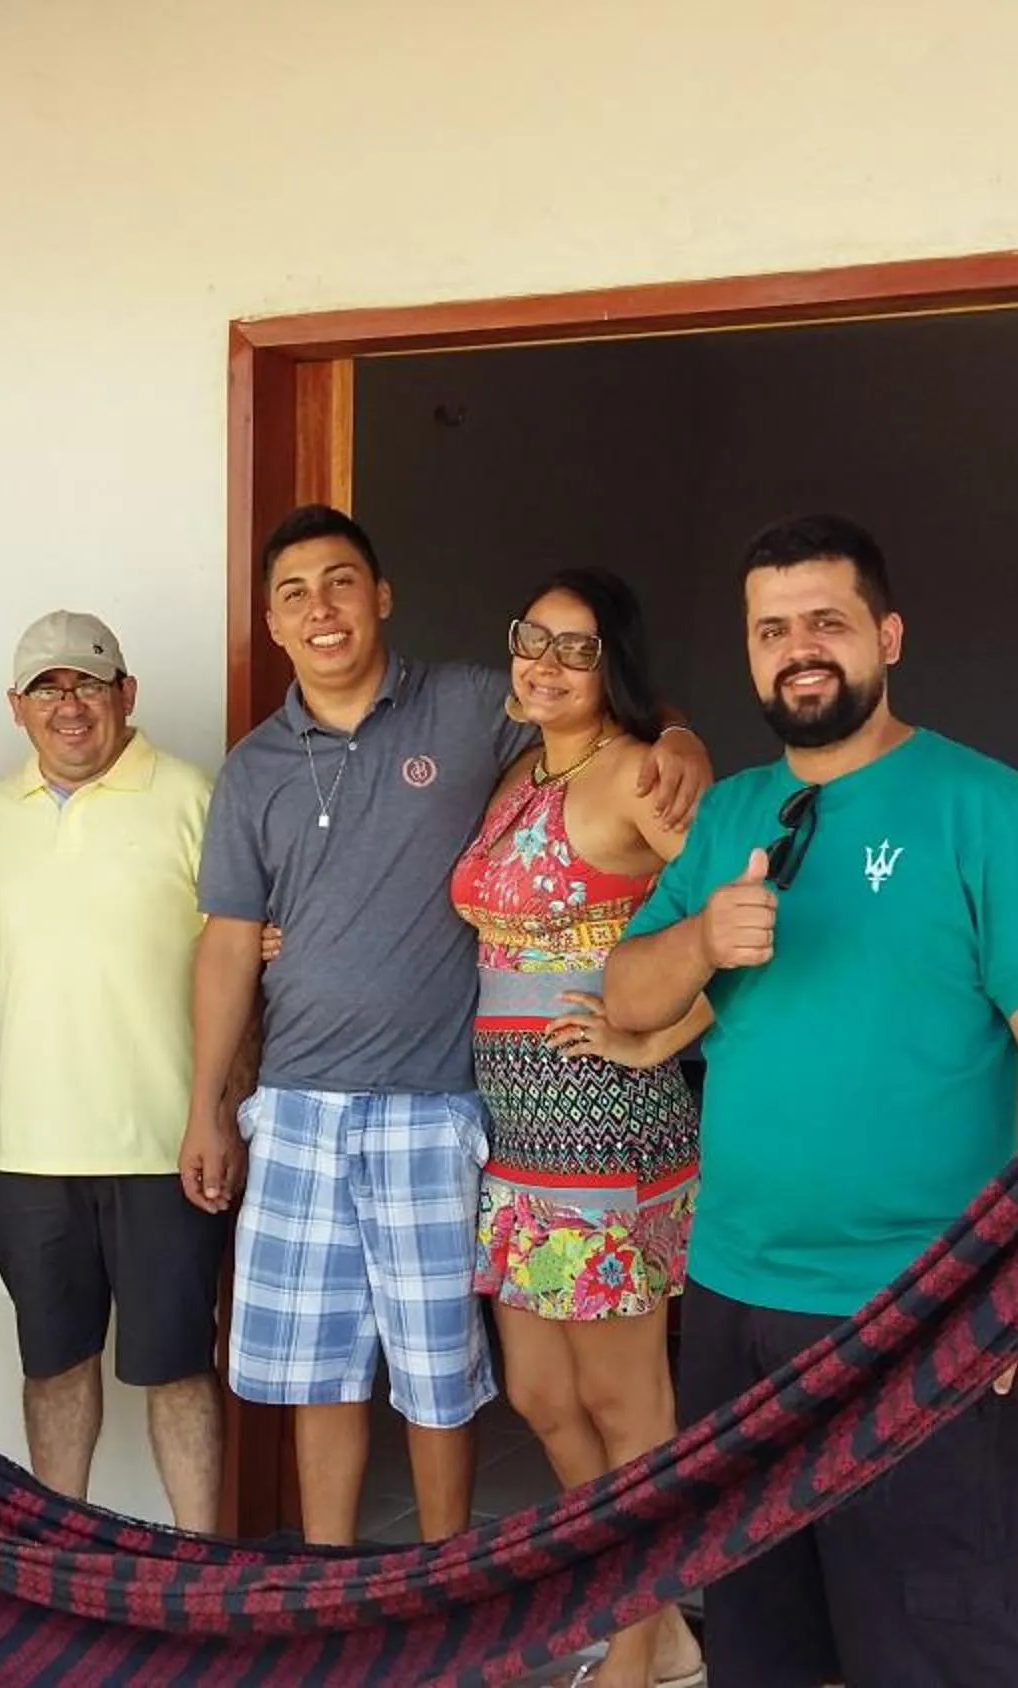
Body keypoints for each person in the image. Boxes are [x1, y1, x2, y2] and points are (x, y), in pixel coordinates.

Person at [604, 514, 1018, 1688]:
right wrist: (703, 935)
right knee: (763, 1634)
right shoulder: (730, 815)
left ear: (886, 634)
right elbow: (625, 992)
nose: (799, 648)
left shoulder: (982, 805)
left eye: (825, 621)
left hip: (923, 1303)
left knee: (934, 1642)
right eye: (771, 629)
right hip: (735, 1299)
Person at [182, 503, 711, 1547]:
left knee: (456, 1378)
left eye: (341, 581)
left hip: (475, 1110)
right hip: (370, 1112)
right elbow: (228, 942)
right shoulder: (266, 767)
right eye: (294, 592)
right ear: (272, 622)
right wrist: (210, 1102)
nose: (320, 608)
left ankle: (469, 1596)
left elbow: (637, 749)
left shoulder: (476, 709)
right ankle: (342, 1595)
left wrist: (683, 735)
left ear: (381, 597)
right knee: (376, 1378)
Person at [451, 570, 707, 1688]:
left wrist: (665, 1037)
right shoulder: (517, 769)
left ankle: (638, 1645)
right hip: (514, 1131)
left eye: (577, 647)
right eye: (532, 639)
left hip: (606, 1131)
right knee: (543, 1395)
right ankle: (654, 1621)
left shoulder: (638, 774)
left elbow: (750, 914)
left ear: (617, 667)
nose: (546, 662)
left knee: (623, 1397)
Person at [0, 611, 232, 1530]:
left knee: (180, 1368)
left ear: (127, 695)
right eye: (47, 687)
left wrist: (221, 1109)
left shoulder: (195, 796)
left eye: (88, 683)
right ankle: (59, 1567)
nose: (69, 705)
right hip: (31, 1149)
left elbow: (243, 970)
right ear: (16, 708)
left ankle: (201, 1572)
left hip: (167, 1145)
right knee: (54, 1367)